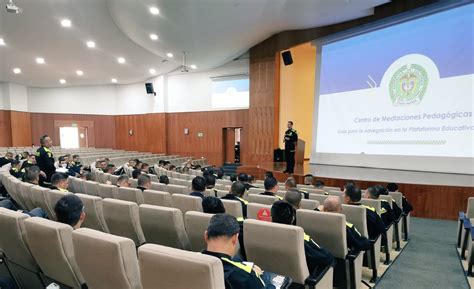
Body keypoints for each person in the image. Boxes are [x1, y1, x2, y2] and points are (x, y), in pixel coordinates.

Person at [202, 214, 275, 289]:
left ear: (206, 236)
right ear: (234, 239)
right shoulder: (245, 276)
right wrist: (261, 277)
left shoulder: (193, 262)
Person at [271, 201, 335, 278]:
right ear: (293, 218)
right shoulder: (299, 237)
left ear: (271, 217)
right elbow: (327, 257)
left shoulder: (261, 232)